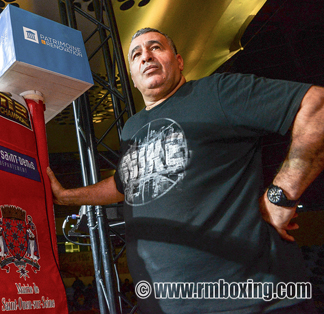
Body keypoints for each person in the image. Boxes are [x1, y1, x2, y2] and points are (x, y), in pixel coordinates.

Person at [48, 27, 324, 313]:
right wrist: (67, 196)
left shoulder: (216, 92)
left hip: (251, 300)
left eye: (156, 47)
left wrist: (282, 195)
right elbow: (123, 185)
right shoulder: (132, 127)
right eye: (137, 54)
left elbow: (317, 104)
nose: (146, 57)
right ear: (131, 74)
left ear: (178, 61)